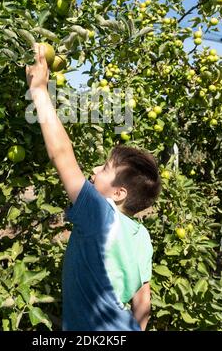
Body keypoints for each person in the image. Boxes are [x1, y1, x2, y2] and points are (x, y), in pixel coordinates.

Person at [26, 44, 162, 331]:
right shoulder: (141, 235)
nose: (95, 169)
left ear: (118, 194)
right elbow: (143, 303)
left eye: (105, 168)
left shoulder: (99, 215)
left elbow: (62, 153)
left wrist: (38, 90)